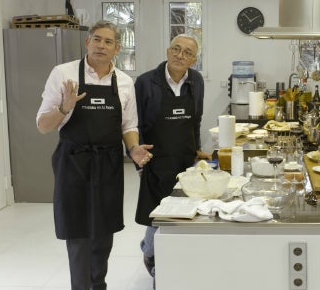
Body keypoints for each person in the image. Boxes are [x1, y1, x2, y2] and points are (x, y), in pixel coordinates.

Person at [36, 20, 153, 290]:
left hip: (109, 164)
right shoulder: (63, 74)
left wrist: (133, 148)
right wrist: (64, 108)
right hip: (73, 162)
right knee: (78, 234)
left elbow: (129, 125)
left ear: (117, 49)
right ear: (87, 42)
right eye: (97, 39)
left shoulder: (123, 82)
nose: (101, 45)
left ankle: (98, 285)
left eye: (108, 41)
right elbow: (42, 126)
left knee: (103, 233)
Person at [134, 34, 211, 280]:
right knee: (158, 212)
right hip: (156, 159)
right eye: (176, 49)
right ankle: (152, 254)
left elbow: (195, 119)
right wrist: (136, 153)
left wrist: (197, 150)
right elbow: (132, 123)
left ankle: (173, 258)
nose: (180, 55)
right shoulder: (146, 82)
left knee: (183, 210)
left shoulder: (196, 81)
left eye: (187, 52)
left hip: (186, 159)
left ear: (194, 59)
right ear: (168, 51)